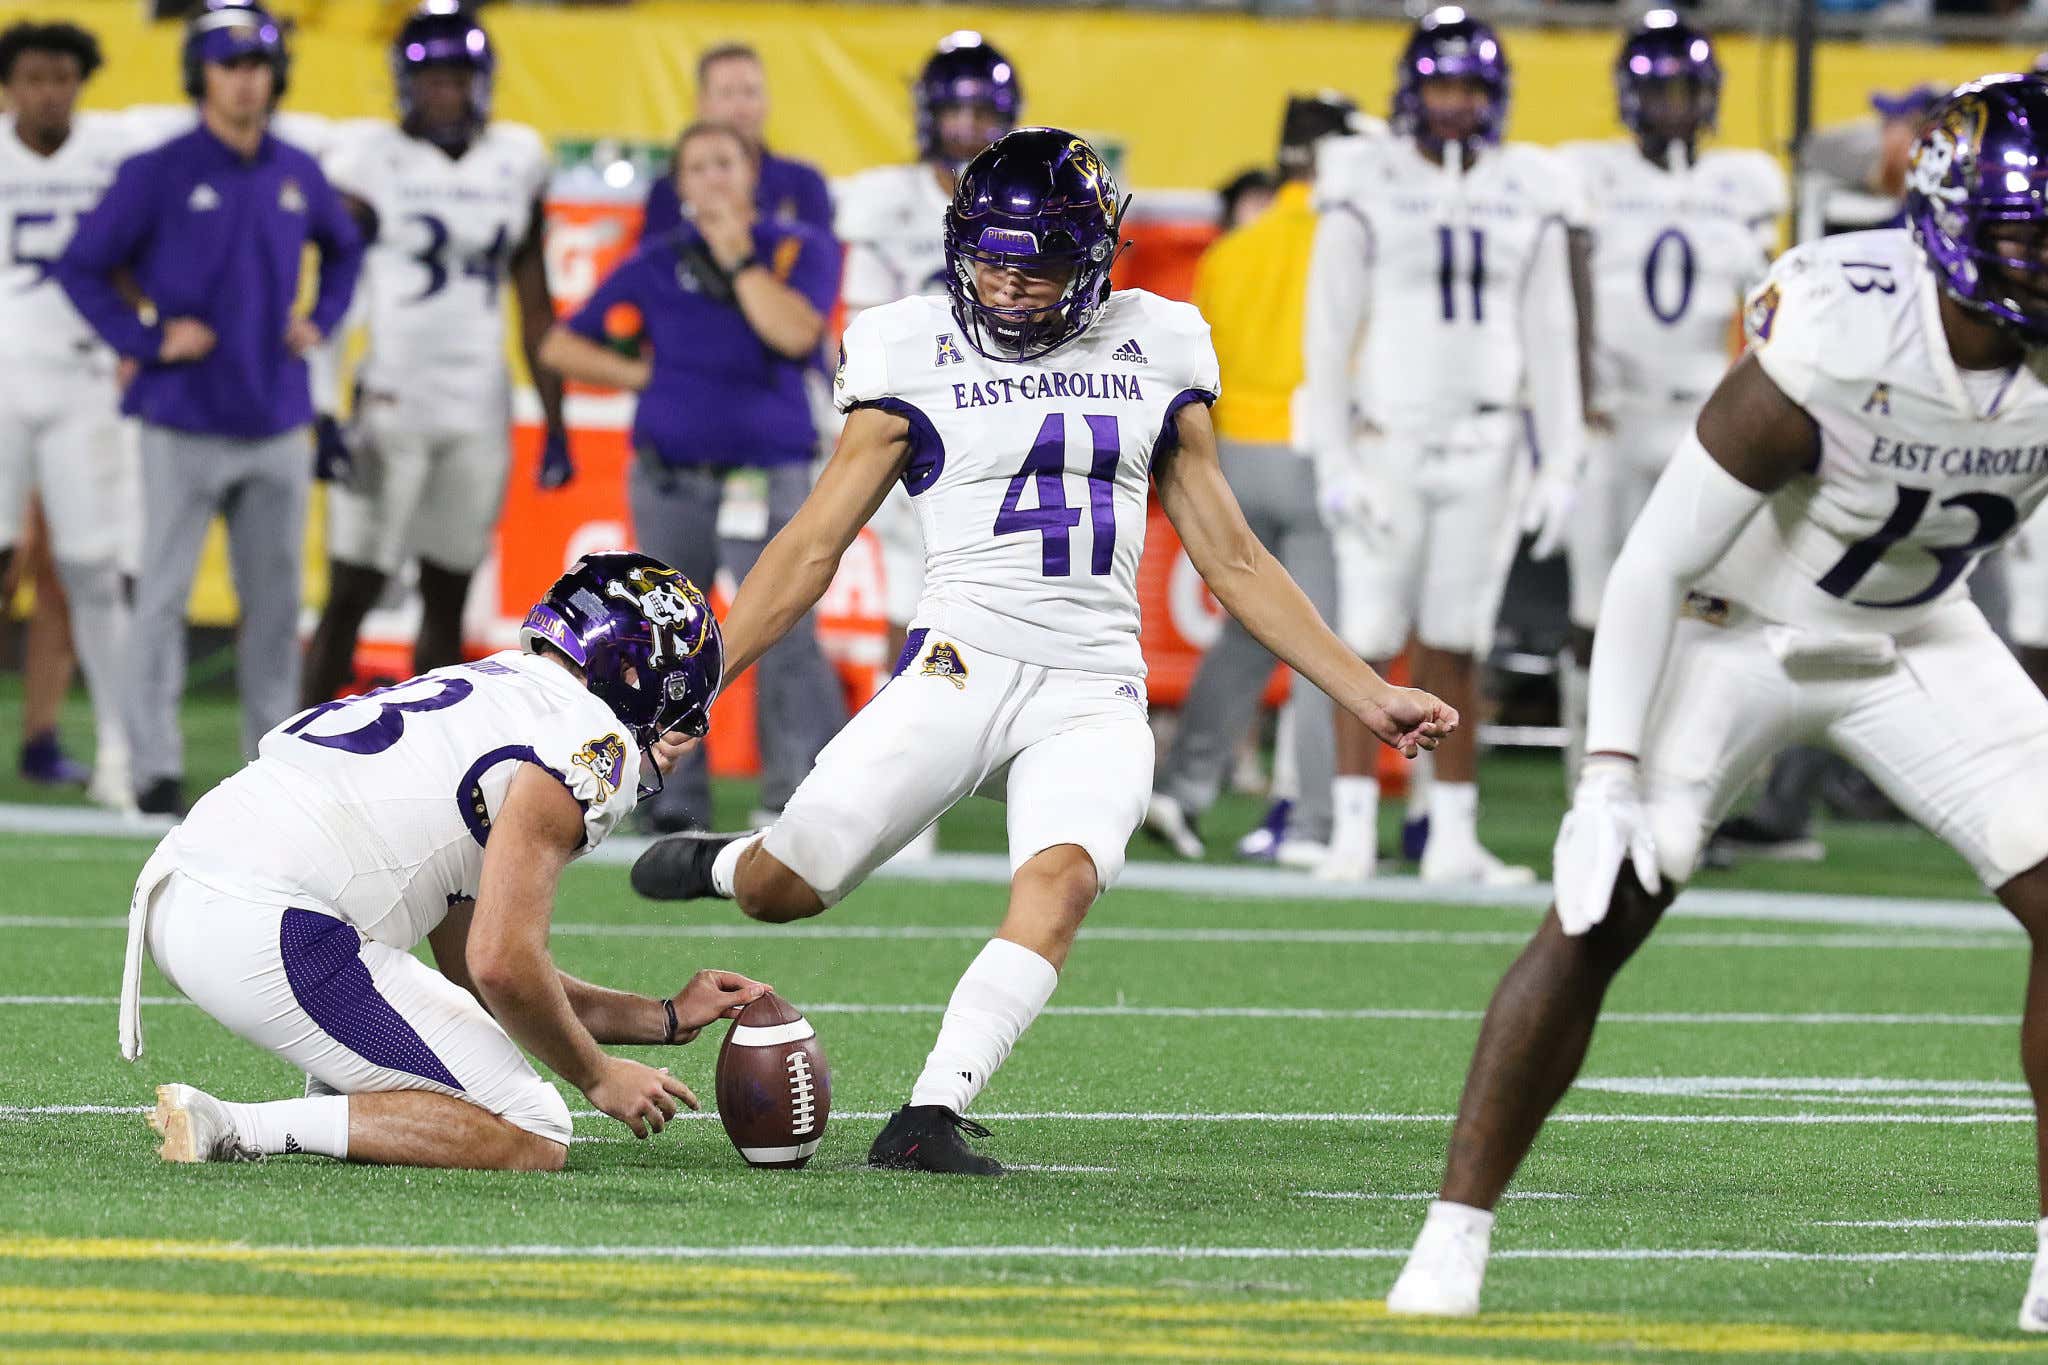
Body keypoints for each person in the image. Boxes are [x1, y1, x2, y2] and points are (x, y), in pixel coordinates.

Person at [630, 128, 1458, 1175]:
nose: (1014, 285)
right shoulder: (906, 346)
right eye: (994, 258)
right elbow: (806, 551)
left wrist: (1365, 690)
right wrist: (693, 690)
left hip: (1090, 682)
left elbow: (1233, 558)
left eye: (1041, 262)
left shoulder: (1156, 342)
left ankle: (929, 1111)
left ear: (1094, 255)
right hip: (956, 665)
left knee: (1060, 879)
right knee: (787, 890)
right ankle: (730, 863)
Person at [1382, 76, 2048, 1332]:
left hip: (1917, 631)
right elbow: (1650, 561)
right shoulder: (1841, 327)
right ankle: (1451, 1238)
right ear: (1955, 225)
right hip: (1735, 629)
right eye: (2031, 236)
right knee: (1599, 908)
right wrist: (1606, 777)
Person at [120, 551, 763, 1170]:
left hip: (187, 891)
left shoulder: (497, 686)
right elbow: (500, 963)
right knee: (534, 1129)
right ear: (634, 676)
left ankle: (342, 1104)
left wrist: (662, 1017)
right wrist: (597, 1077)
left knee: (455, 1061)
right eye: (681, 711)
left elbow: (472, 970)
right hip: (267, 921)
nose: (683, 736)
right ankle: (238, 1126)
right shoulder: (593, 742)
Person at [54, 0, 362, 817]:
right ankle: (153, 765)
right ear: (201, 75)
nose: (245, 80)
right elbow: (82, 264)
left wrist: (323, 321)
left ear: (275, 75)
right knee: (162, 596)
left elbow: (346, 247)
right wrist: (146, 337)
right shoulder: (158, 170)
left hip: (275, 418)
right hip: (181, 415)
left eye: (257, 64)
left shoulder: (297, 170)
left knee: (272, 604)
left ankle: (272, 769)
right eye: (229, 65)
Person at [1304, 8, 1584, 884]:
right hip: (1389, 434)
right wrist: (1332, 454)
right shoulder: (1365, 176)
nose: (1456, 104)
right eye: (1441, 86)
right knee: (1366, 636)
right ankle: (1353, 825)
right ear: (1411, 92)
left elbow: (1551, 333)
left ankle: (1453, 831)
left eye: (1469, 88)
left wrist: (1560, 457)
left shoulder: (1528, 184)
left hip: (1488, 439)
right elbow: (1326, 330)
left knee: (1458, 641)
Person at [539, 120, 845, 834]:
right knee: (665, 640)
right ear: (679, 188)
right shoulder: (655, 260)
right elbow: (560, 343)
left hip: (766, 474)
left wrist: (738, 259)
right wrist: (645, 376)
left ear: (751, 178)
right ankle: (671, 798)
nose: (712, 178)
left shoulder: (800, 246)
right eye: (697, 168)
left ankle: (803, 796)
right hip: (671, 476)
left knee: (785, 631)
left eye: (725, 164)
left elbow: (796, 333)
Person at [299, 2, 568, 707]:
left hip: (477, 406)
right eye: (430, 81)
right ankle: (295, 756)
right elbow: (335, 292)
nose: (443, 94)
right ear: (403, 84)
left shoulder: (517, 160)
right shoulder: (370, 158)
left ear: (481, 82)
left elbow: (535, 305)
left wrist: (557, 419)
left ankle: (427, 763)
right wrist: (324, 408)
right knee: (353, 586)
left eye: (456, 79)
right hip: (391, 398)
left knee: (448, 590)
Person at [1556, 12, 1784, 780]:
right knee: (1596, 605)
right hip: (1614, 413)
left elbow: (1763, 308)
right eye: (1659, 92)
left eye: (1686, 91)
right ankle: (1591, 771)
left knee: (1705, 605)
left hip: (1702, 413)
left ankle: (1680, 775)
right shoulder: (1589, 172)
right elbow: (1570, 292)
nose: (1673, 108)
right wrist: (1575, 394)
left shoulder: (1745, 180)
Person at [1143, 94, 1362, 869]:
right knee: (1317, 637)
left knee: (1245, 629)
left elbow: (1197, 364)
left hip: (1234, 453)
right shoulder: (1350, 237)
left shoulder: (1234, 248)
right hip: (1316, 453)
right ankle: (1313, 818)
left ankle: (1184, 784)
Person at [836, 31, 1024, 818]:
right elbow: (861, 321)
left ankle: (978, 769)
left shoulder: (1028, 198)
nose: (967, 127)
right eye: (954, 111)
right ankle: (901, 776)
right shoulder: (885, 200)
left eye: (982, 111)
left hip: (1005, 422)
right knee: (912, 607)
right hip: (919, 421)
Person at [0, 19, 136, 809]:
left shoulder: (114, 151)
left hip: (84, 379)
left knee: (89, 566)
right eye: (34, 76)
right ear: (11, 83)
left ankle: (119, 751)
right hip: (4, 375)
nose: (50, 91)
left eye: (63, 77)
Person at [641, 42, 832, 239]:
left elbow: (824, 260)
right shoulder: (669, 189)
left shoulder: (804, 182)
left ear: (766, 101)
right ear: (701, 104)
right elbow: (649, 264)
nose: (741, 108)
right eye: (727, 93)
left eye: (751, 92)